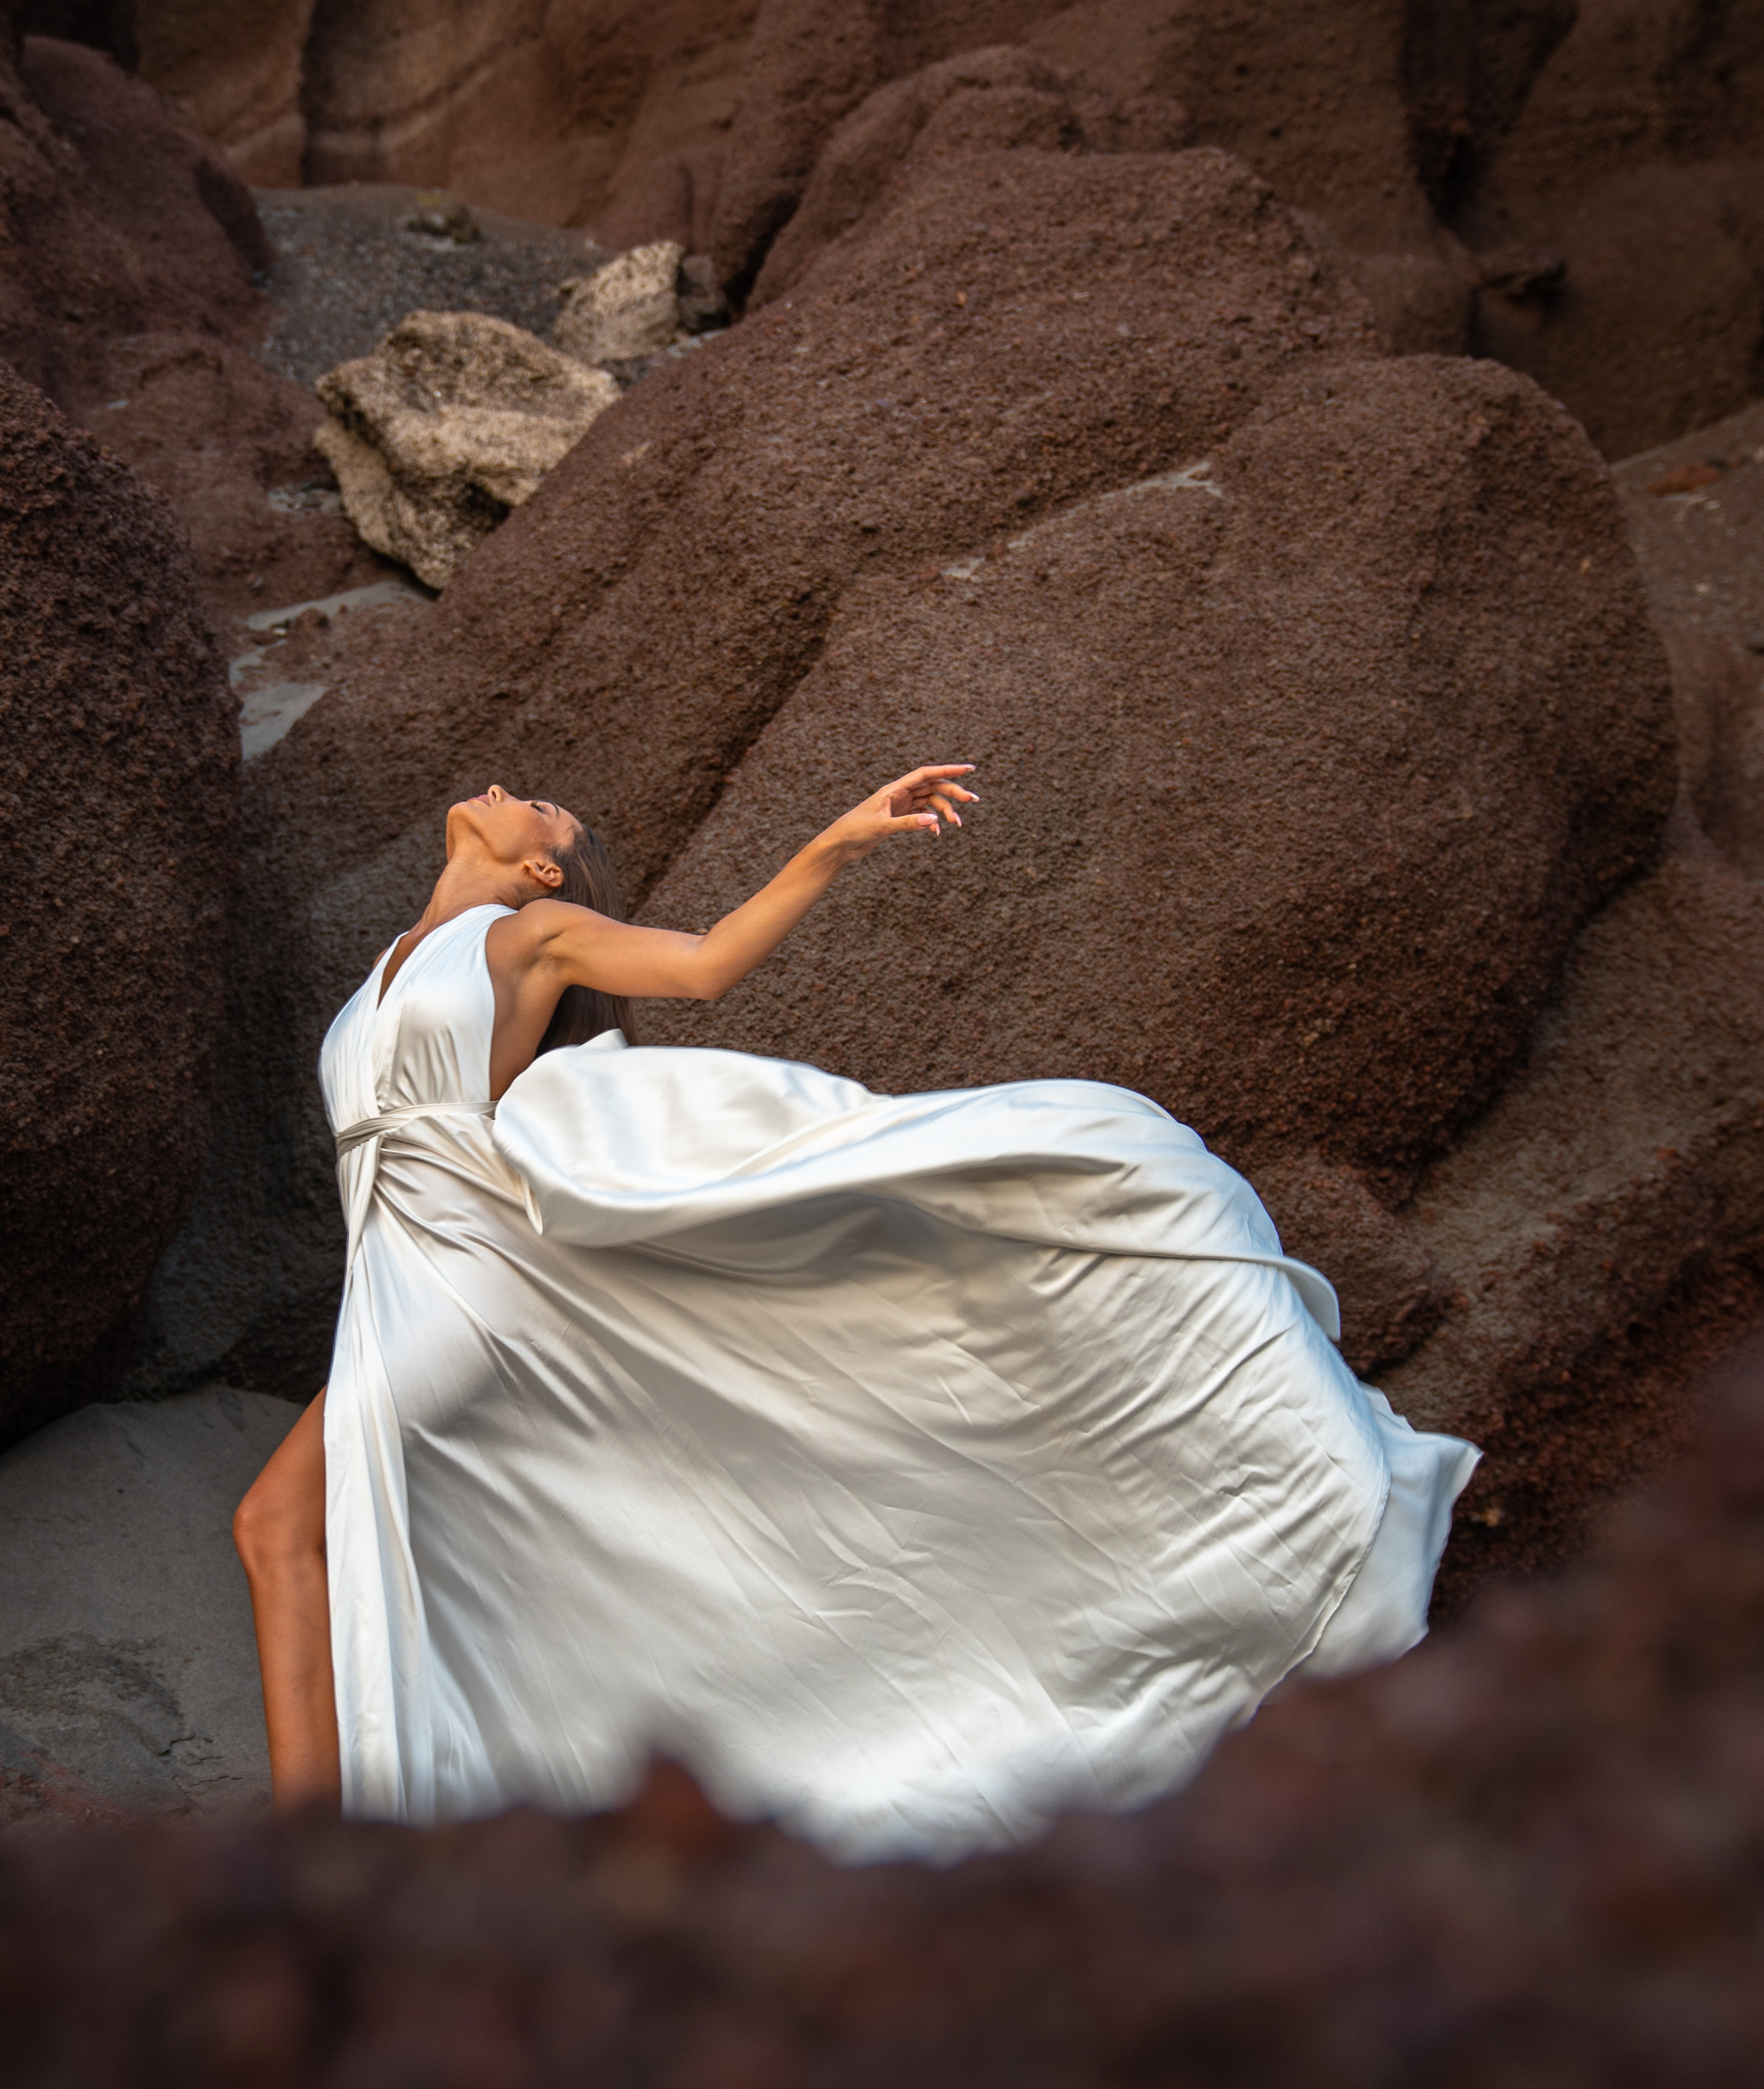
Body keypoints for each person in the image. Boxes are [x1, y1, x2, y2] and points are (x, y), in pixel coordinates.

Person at [233, 772, 1477, 1860]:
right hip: (407, 1287)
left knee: (281, 1527)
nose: (506, 788)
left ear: (542, 863)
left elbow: (708, 961)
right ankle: (347, 1860)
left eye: (537, 806)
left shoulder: (531, 930)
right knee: (291, 1530)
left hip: (461, 1289)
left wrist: (835, 843)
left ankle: (318, 1871)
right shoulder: (391, 968)